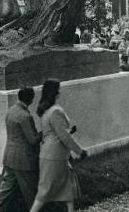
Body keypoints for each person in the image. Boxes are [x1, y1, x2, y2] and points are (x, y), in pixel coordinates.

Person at [30, 80, 87, 212]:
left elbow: (54, 133)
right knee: (45, 192)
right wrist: (80, 151)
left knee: (68, 189)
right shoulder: (55, 111)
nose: (60, 91)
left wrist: (69, 132)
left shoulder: (46, 110)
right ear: (54, 92)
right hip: (55, 156)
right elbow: (63, 137)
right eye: (58, 89)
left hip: (53, 155)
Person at [0, 87, 41, 211]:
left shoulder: (11, 111)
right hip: (24, 161)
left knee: (4, 193)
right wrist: (44, 132)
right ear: (30, 99)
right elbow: (33, 140)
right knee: (32, 194)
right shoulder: (25, 116)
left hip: (9, 158)